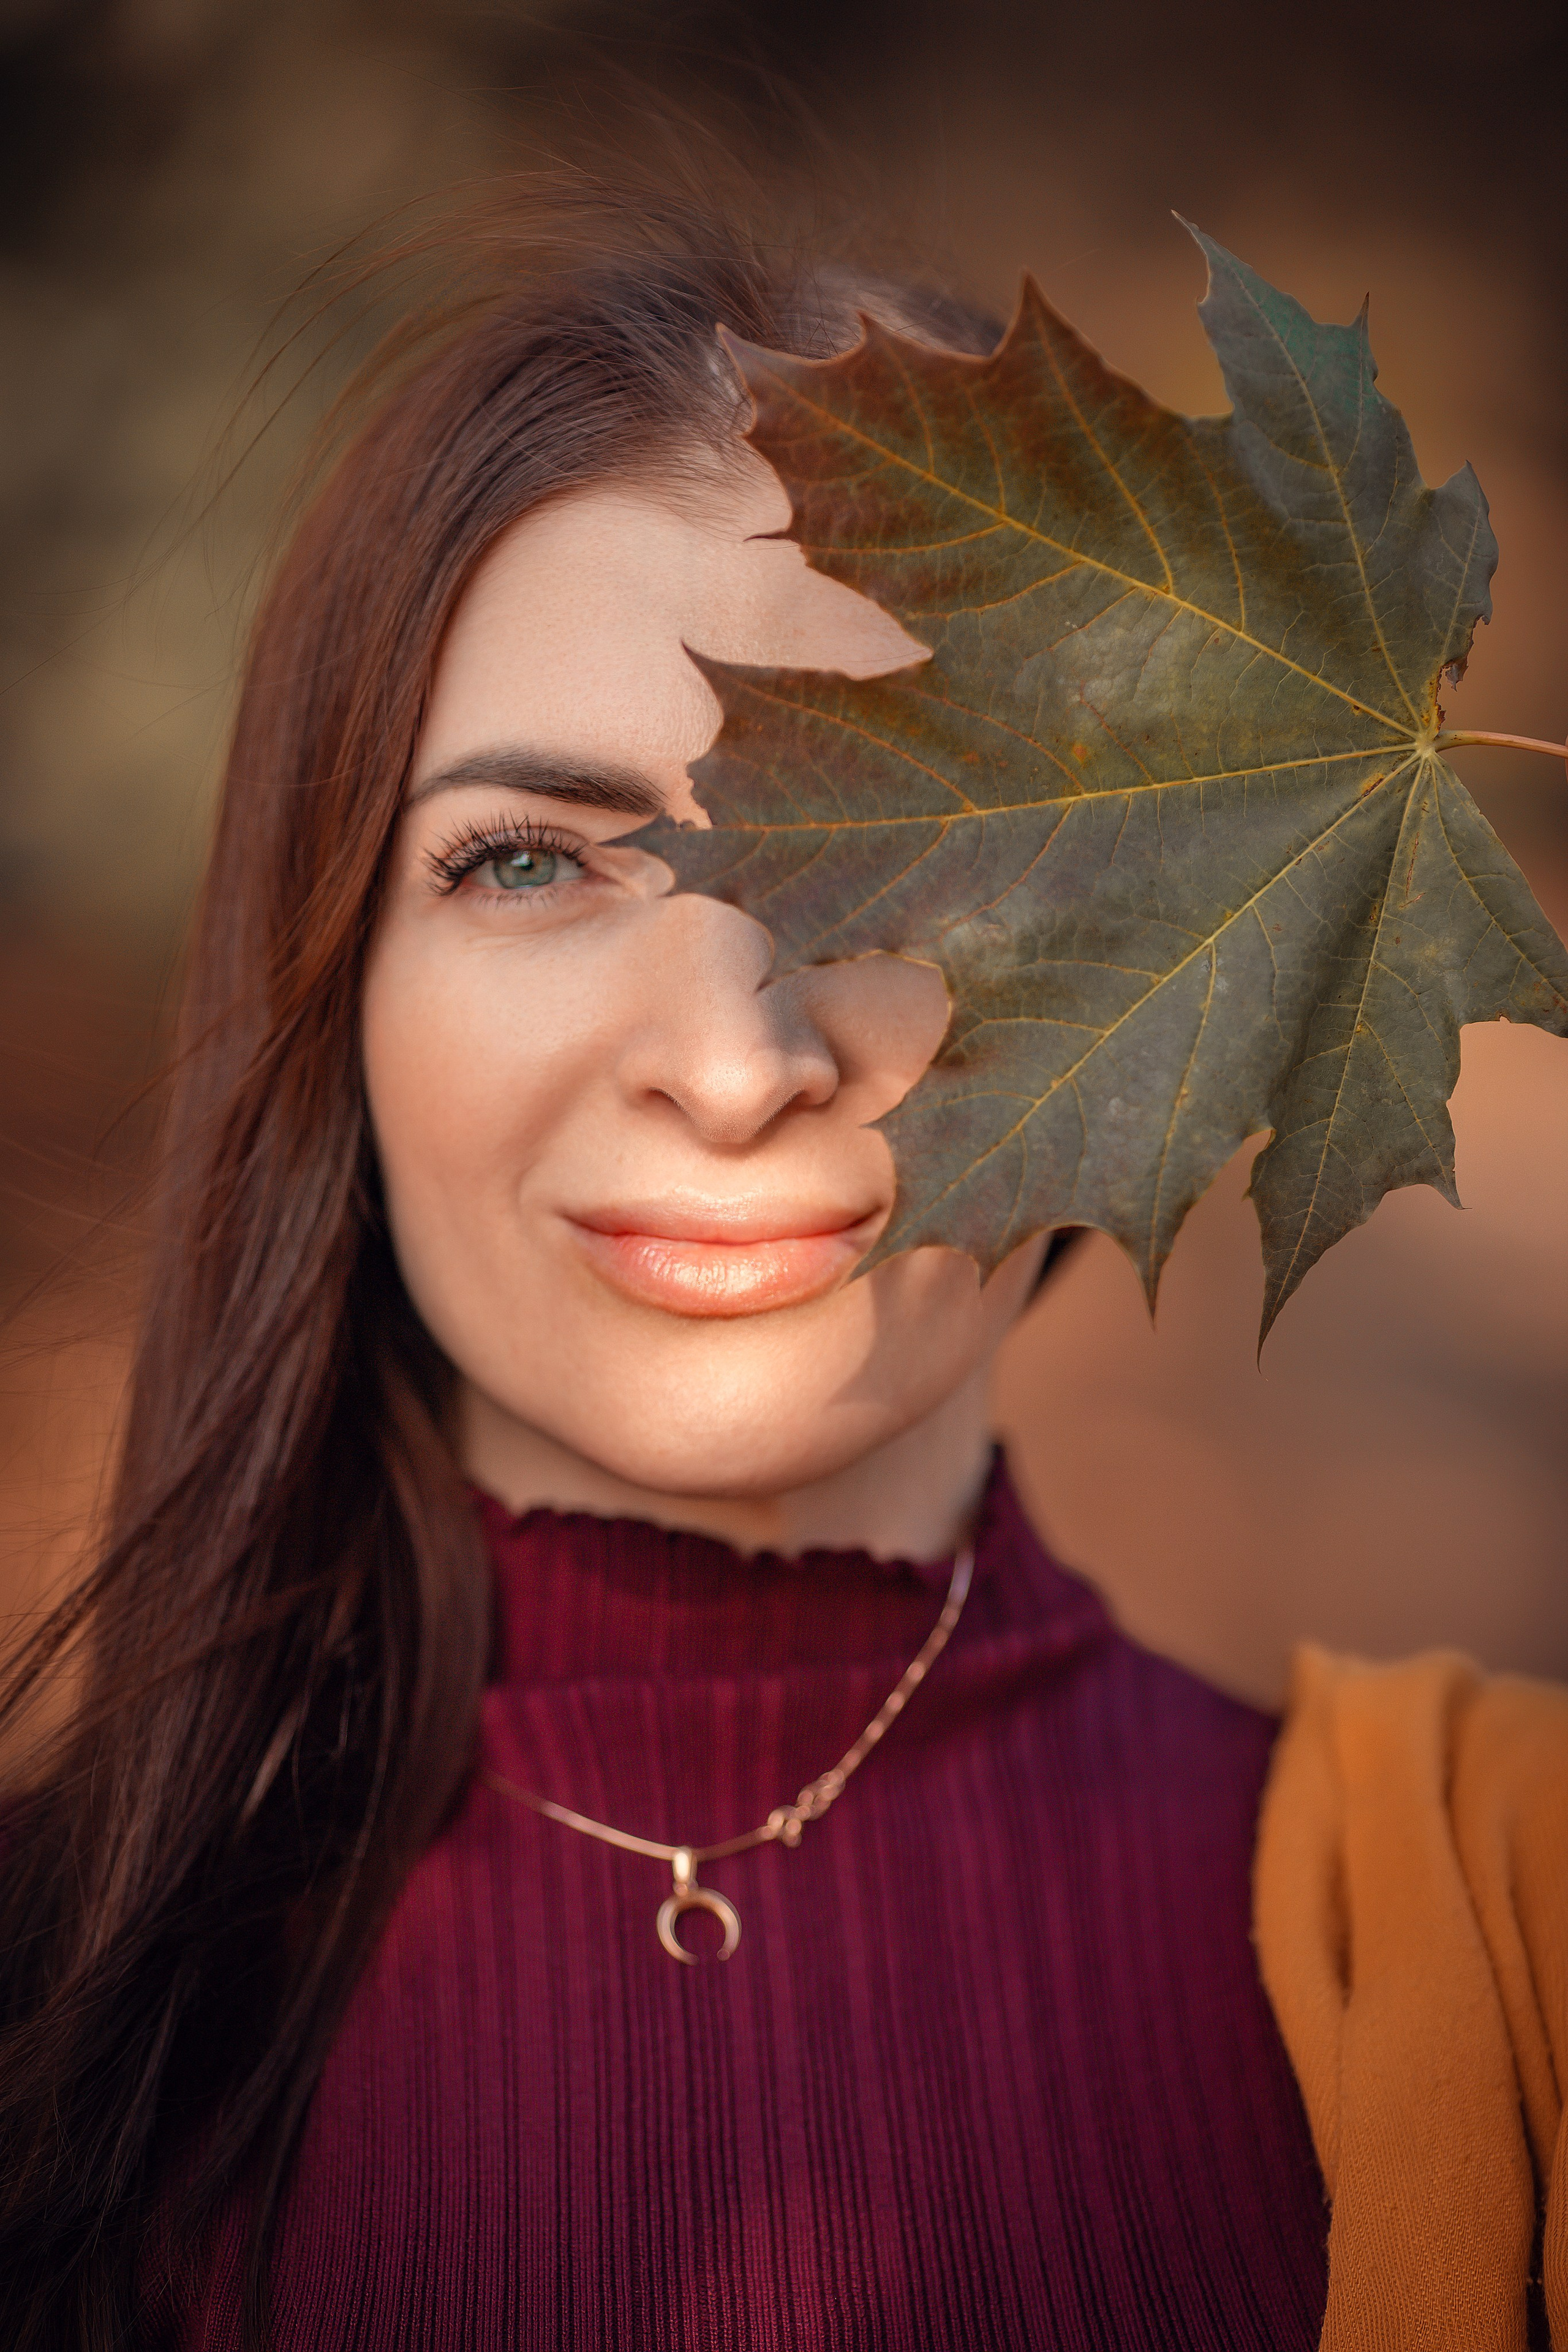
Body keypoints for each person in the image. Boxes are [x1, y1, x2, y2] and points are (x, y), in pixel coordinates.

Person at [1, 190, 1562, 2352]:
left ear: (1126, 957)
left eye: (910, 844)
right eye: (532, 860)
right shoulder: (33, 2011)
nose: (742, 1060)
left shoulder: (1518, 1929)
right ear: (328, 982)